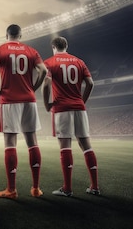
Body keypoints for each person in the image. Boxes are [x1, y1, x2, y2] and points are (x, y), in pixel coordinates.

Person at [0, 24, 48, 199]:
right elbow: (44, 70)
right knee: (32, 141)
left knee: (10, 142)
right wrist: (33, 88)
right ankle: (36, 188)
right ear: (20, 35)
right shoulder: (31, 50)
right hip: (29, 99)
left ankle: (12, 190)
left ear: (6, 35)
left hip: (9, 99)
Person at [42, 36, 100, 197]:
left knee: (65, 147)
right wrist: (82, 101)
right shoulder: (79, 62)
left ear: (53, 47)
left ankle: (67, 188)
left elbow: (46, 84)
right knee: (86, 145)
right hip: (79, 107)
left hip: (61, 108)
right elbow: (90, 83)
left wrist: (47, 105)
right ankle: (94, 186)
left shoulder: (50, 62)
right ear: (66, 46)